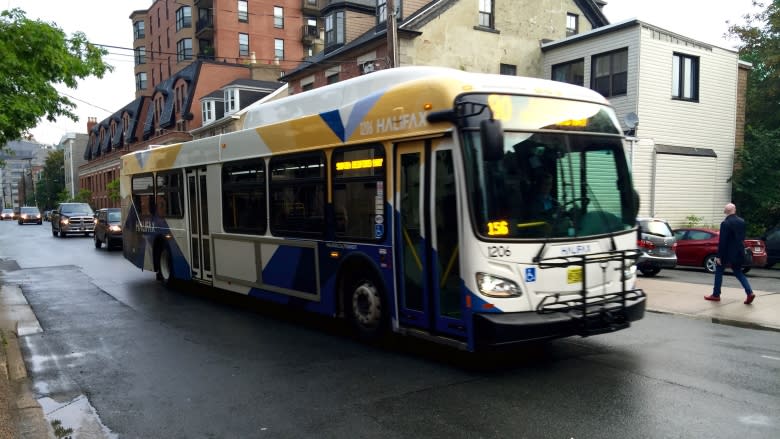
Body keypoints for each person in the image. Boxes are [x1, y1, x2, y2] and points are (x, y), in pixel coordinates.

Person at [704, 203, 756, 304]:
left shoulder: (725, 223)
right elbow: (742, 238)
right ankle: (749, 293)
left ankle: (716, 294)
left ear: (725, 212)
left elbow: (723, 241)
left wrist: (719, 256)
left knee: (719, 271)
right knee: (738, 272)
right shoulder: (742, 222)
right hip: (739, 251)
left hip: (727, 253)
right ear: (735, 210)